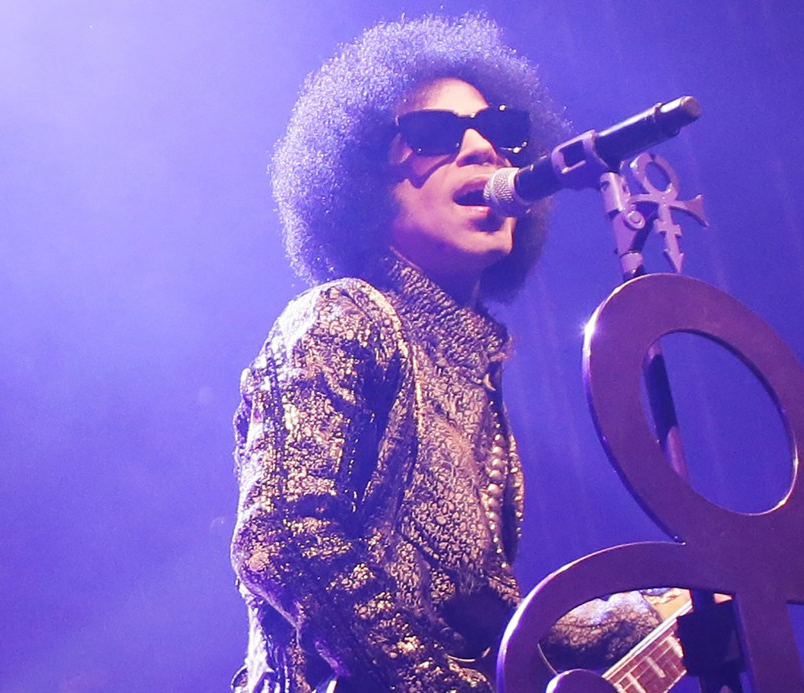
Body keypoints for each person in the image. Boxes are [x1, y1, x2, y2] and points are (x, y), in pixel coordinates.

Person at [230, 14, 660, 693]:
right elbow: (282, 534)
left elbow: (478, 618)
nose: (483, 150)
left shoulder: (473, 375)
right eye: (434, 133)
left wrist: (649, 616)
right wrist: (431, 682)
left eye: (502, 131)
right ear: (362, 183)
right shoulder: (343, 315)